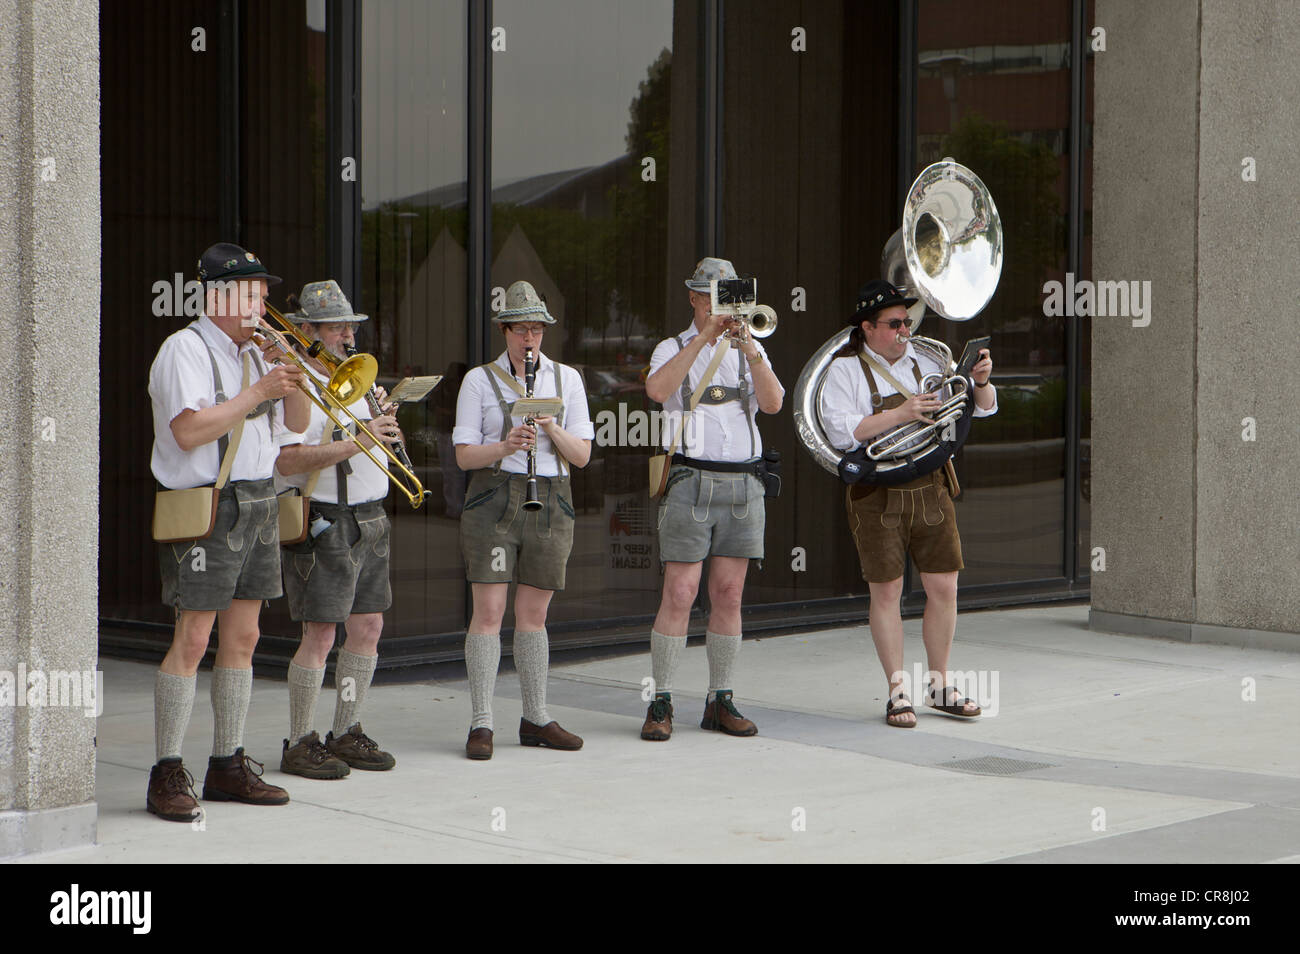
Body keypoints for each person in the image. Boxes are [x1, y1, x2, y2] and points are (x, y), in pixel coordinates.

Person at [145, 243, 308, 821]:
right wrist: (257, 393)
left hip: (259, 500)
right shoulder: (183, 350)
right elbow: (188, 433)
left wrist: (290, 378)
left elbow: (298, 425)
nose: (262, 304)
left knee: (245, 639)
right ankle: (166, 770)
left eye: (264, 294)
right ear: (216, 297)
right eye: (251, 294)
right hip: (208, 504)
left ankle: (226, 764)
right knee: (193, 639)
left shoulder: (258, 355)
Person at [817, 279, 997, 727]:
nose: (905, 331)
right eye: (895, 323)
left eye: (908, 321)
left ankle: (939, 684)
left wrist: (980, 383)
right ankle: (898, 691)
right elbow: (842, 433)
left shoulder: (929, 358)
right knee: (887, 593)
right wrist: (902, 413)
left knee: (944, 588)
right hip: (877, 493)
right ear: (868, 327)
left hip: (932, 486)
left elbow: (986, 408)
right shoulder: (844, 370)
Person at [640, 257, 784, 741]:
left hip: (743, 484)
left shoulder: (750, 345)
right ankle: (660, 699)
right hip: (691, 479)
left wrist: (748, 347)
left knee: (729, 594)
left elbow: (773, 403)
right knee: (680, 592)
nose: (724, 308)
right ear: (696, 299)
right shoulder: (672, 346)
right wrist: (705, 338)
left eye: (731, 299)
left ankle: (719, 700)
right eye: (714, 298)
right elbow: (658, 390)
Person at [452, 280, 594, 760]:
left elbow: (582, 457)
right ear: (505, 331)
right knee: (489, 612)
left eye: (536, 329)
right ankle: (482, 721)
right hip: (494, 496)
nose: (529, 339)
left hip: (551, 495)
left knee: (534, 614)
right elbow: (465, 456)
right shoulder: (479, 380)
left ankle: (535, 715)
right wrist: (505, 445)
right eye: (520, 330)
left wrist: (551, 425)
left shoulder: (566, 379)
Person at [274, 281, 405, 779]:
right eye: (337, 327)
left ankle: (346, 729)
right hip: (326, 516)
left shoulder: (358, 379)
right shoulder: (297, 383)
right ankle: (301, 739)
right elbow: (287, 460)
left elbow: (374, 447)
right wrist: (358, 442)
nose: (349, 335)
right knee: (321, 632)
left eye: (352, 326)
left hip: (371, 514)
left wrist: (387, 429)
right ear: (307, 331)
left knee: (368, 628)